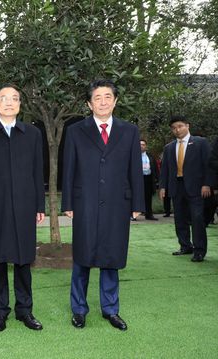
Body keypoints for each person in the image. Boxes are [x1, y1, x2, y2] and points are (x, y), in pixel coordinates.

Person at [61, 79, 144, 331]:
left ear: (115, 101)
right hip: (84, 201)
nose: (103, 101)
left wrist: (137, 202)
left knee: (111, 255)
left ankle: (111, 309)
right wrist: (68, 201)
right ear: (89, 103)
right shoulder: (76, 130)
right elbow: (69, 169)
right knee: (82, 257)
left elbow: (135, 170)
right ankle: (79, 309)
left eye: (108, 96)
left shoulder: (129, 131)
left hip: (118, 202)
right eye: (97, 97)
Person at [0, 84, 45, 332]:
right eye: (4, 98)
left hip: (25, 206)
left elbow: (38, 172)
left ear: (20, 105)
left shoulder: (32, 134)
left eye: (14, 98)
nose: (9, 102)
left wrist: (39, 205)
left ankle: (25, 310)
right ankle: (1, 311)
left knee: (24, 260)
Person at [159, 115, 213, 262]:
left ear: (187, 126)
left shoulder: (201, 143)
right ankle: (185, 246)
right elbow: (165, 169)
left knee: (197, 218)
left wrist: (207, 184)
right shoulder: (169, 148)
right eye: (174, 128)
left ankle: (199, 251)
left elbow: (209, 165)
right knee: (180, 218)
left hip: (197, 188)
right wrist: (163, 186)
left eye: (180, 126)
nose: (177, 130)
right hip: (176, 187)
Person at [140, 139, 159, 220]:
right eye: (140, 144)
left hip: (148, 179)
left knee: (148, 197)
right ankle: (133, 215)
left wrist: (158, 178)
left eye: (143, 144)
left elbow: (155, 168)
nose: (141, 146)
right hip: (138, 180)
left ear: (146, 146)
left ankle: (149, 214)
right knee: (137, 196)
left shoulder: (150, 156)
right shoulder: (133, 155)